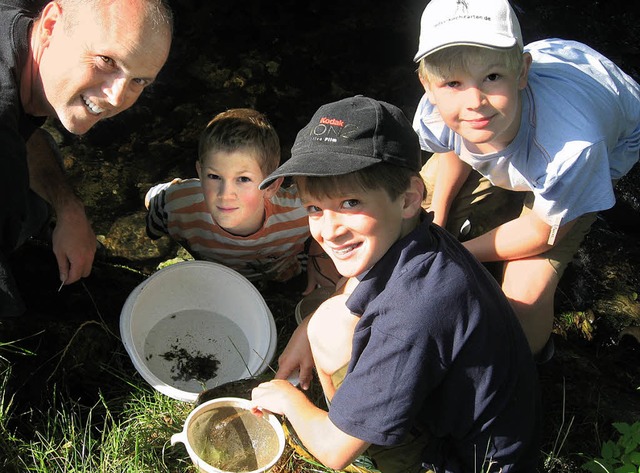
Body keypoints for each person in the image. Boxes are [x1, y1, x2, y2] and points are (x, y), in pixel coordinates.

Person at [251, 96, 540, 472]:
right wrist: (307, 328)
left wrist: (288, 399)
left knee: (340, 433)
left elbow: (334, 452)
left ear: (408, 198)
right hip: (473, 417)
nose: (329, 231)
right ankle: (365, 420)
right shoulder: (417, 238)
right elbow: (357, 289)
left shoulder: (411, 317)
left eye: (351, 203)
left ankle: (376, 453)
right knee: (326, 321)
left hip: (468, 462)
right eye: (315, 209)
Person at [412, 0, 640, 358]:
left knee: (522, 299)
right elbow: (452, 149)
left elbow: (541, 232)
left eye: (492, 77)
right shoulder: (438, 111)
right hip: (534, 111)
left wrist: (451, 253)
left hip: (603, 125)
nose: (474, 101)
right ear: (428, 85)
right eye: (453, 82)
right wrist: (438, 221)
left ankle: (528, 358)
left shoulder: (574, 149)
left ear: (522, 73)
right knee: (414, 215)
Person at [0, 0, 173, 316]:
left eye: (139, 81)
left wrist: (69, 208)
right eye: (107, 60)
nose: (117, 98)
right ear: (51, 24)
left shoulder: (21, 22)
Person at [145, 108, 338, 293]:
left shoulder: (299, 212)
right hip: (217, 279)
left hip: (284, 272)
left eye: (243, 179)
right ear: (200, 173)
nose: (225, 193)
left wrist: (318, 254)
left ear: (271, 186)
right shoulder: (179, 205)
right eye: (214, 176)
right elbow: (154, 199)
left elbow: (338, 208)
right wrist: (153, 232)